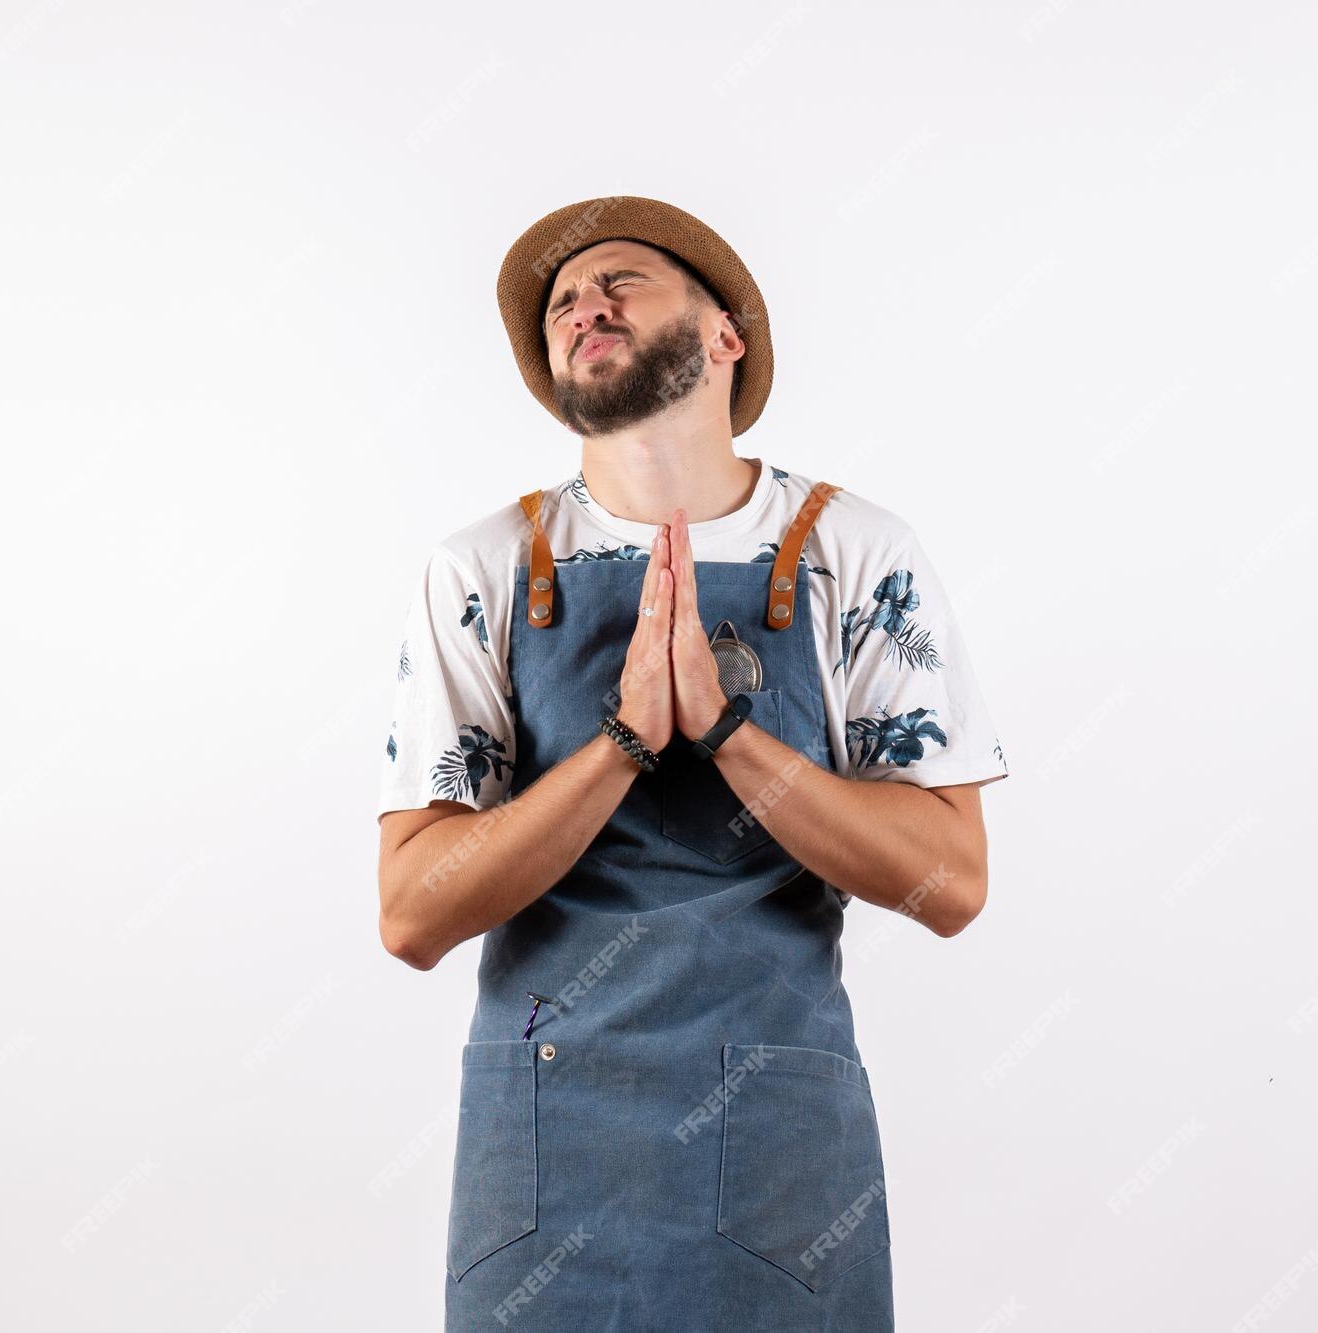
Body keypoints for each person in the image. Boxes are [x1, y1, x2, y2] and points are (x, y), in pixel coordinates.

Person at [375, 194, 1010, 1331]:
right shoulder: (478, 567)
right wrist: (621, 743)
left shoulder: (854, 553)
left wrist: (727, 734)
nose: (582, 306)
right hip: (546, 1133)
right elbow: (412, 917)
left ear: (728, 335)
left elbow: (949, 882)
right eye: (563, 301)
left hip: (775, 1133)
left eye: (621, 280)